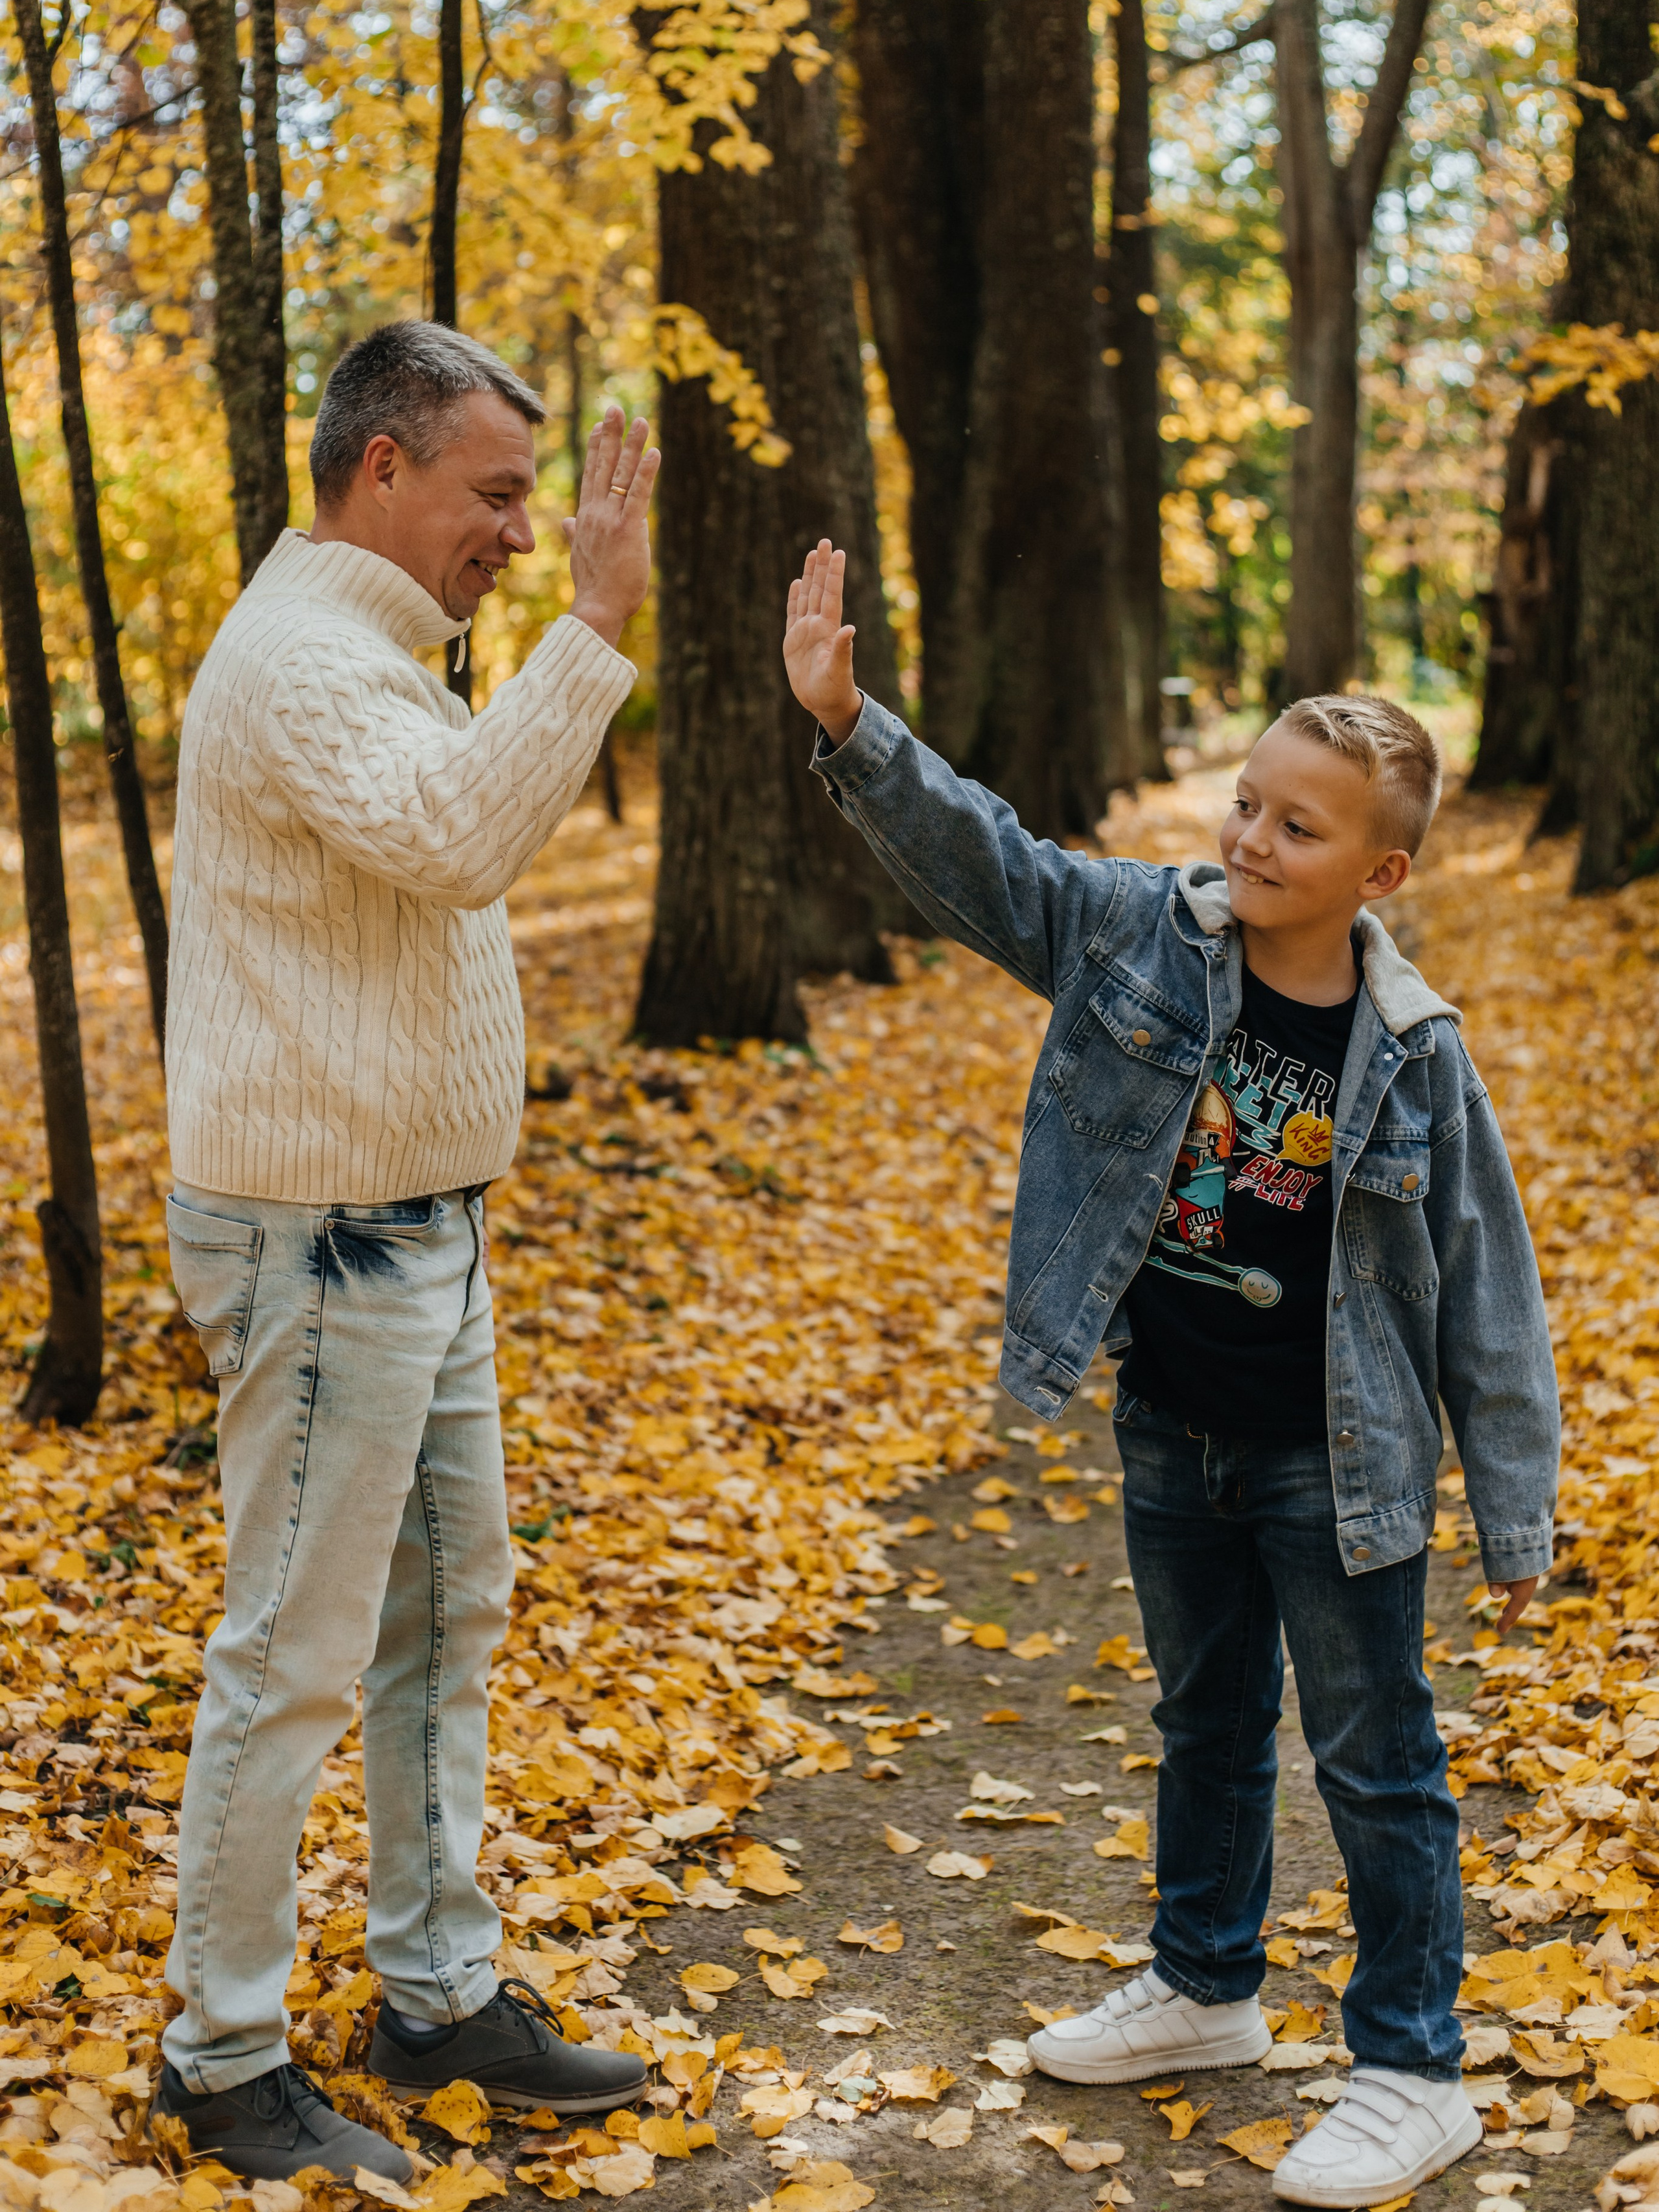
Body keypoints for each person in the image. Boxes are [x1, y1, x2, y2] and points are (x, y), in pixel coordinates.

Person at [782, 544, 1559, 2211]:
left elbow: (1487, 1289)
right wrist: (849, 724)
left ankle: (1412, 2068)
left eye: (1297, 826)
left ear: (1383, 871)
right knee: (1203, 1718)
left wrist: (1513, 1516)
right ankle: (1207, 1987)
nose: (1249, 841)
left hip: (1331, 1461)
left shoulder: (1413, 1059)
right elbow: (984, 863)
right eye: (1247, 804)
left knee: (1374, 1757)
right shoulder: (1140, 937)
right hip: (1175, 1431)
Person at [156, 322, 660, 2183]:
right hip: (320, 1244)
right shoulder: (307, 662)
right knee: (293, 1652)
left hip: (416, 1232)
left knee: (446, 1615)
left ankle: (441, 1995)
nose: (523, 535)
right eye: (497, 494)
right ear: (384, 473)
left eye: (536, 503)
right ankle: (218, 2059)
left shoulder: (382, 653)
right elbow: (460, 842)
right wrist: (597, 626)